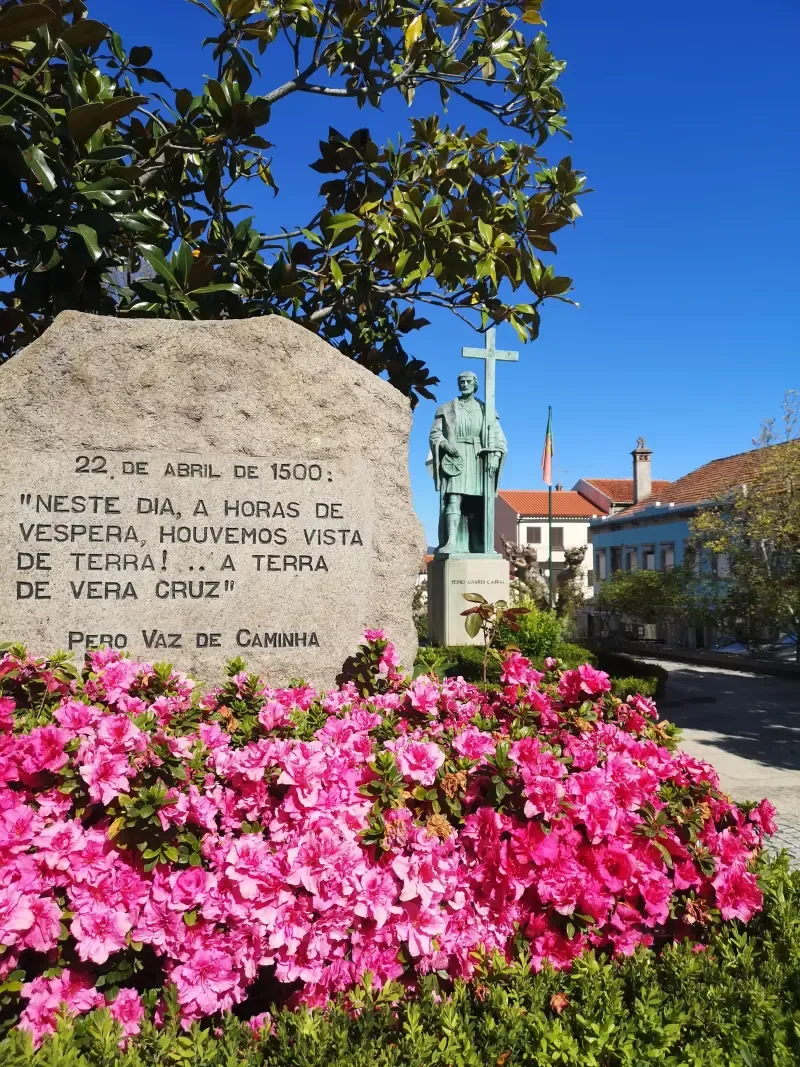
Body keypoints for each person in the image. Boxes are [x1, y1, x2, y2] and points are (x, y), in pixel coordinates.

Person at [427, 371, 507, 554]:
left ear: (475, 384)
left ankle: (480, 544)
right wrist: (445, 444)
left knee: (479, 503)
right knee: (453, 499)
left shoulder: (487, 410)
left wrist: (495, 456)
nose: (464, 384)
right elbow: (435, 434)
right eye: (461, 381)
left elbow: (499, 438)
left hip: (480, 458)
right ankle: (451, 542)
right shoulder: (446, 408)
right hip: (456, 457)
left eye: (468, 381)